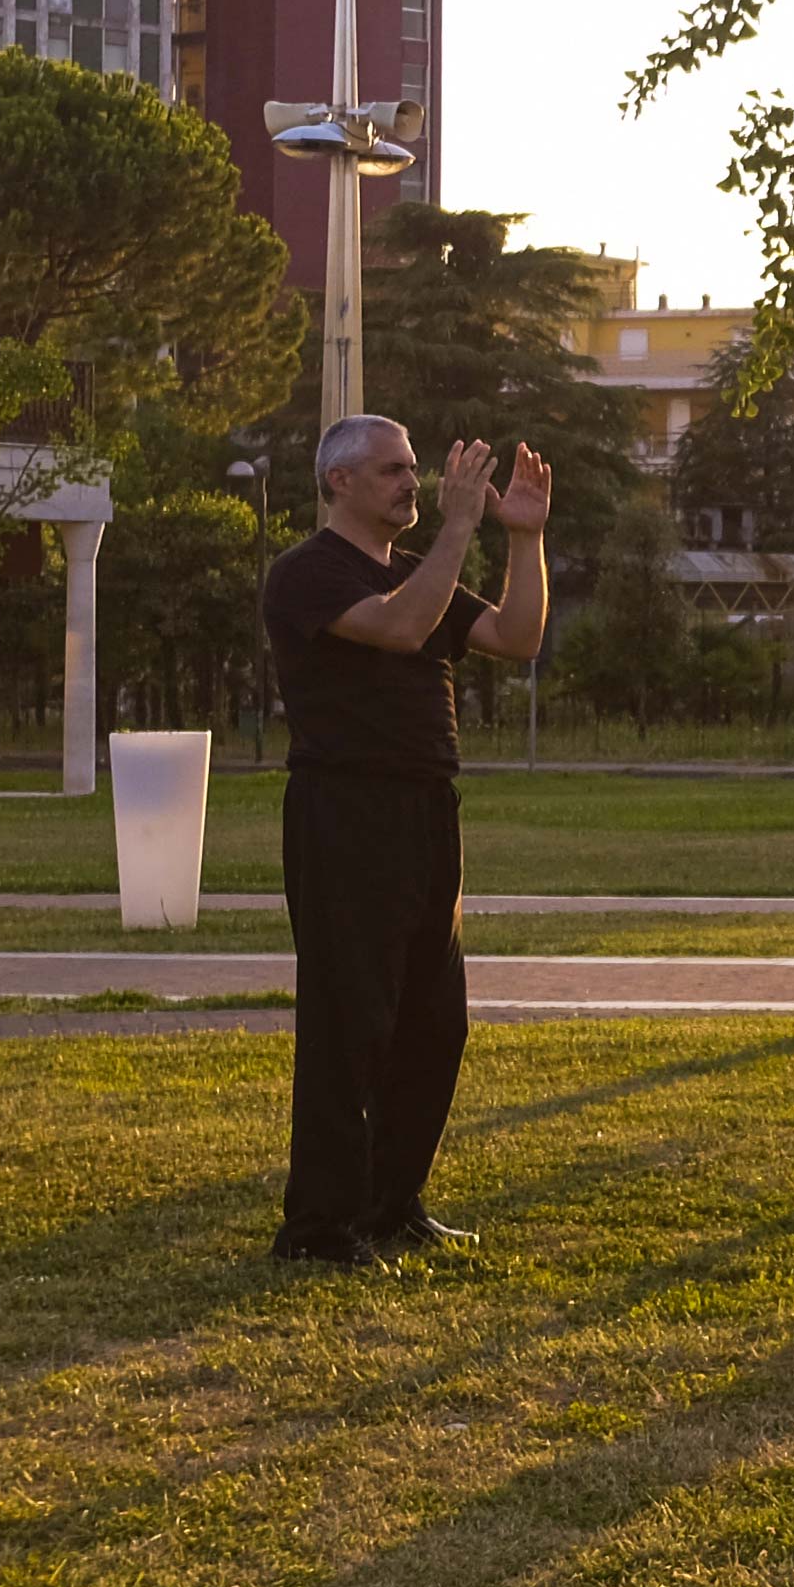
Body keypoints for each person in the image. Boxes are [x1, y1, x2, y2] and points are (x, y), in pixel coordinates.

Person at [260, 417, 553, 1266]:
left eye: (416, 470)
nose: (413, 485)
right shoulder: (306, 573)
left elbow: (517, 638)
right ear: (339, 482)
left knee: (433, 1024)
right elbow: (396, 628)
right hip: (345, 810)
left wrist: (524, 539)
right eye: (392, 470)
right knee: (349, 1023)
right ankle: (319, 1229)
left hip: (428, 807)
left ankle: (392, 1206)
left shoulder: (424, 575)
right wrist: (461, 529)